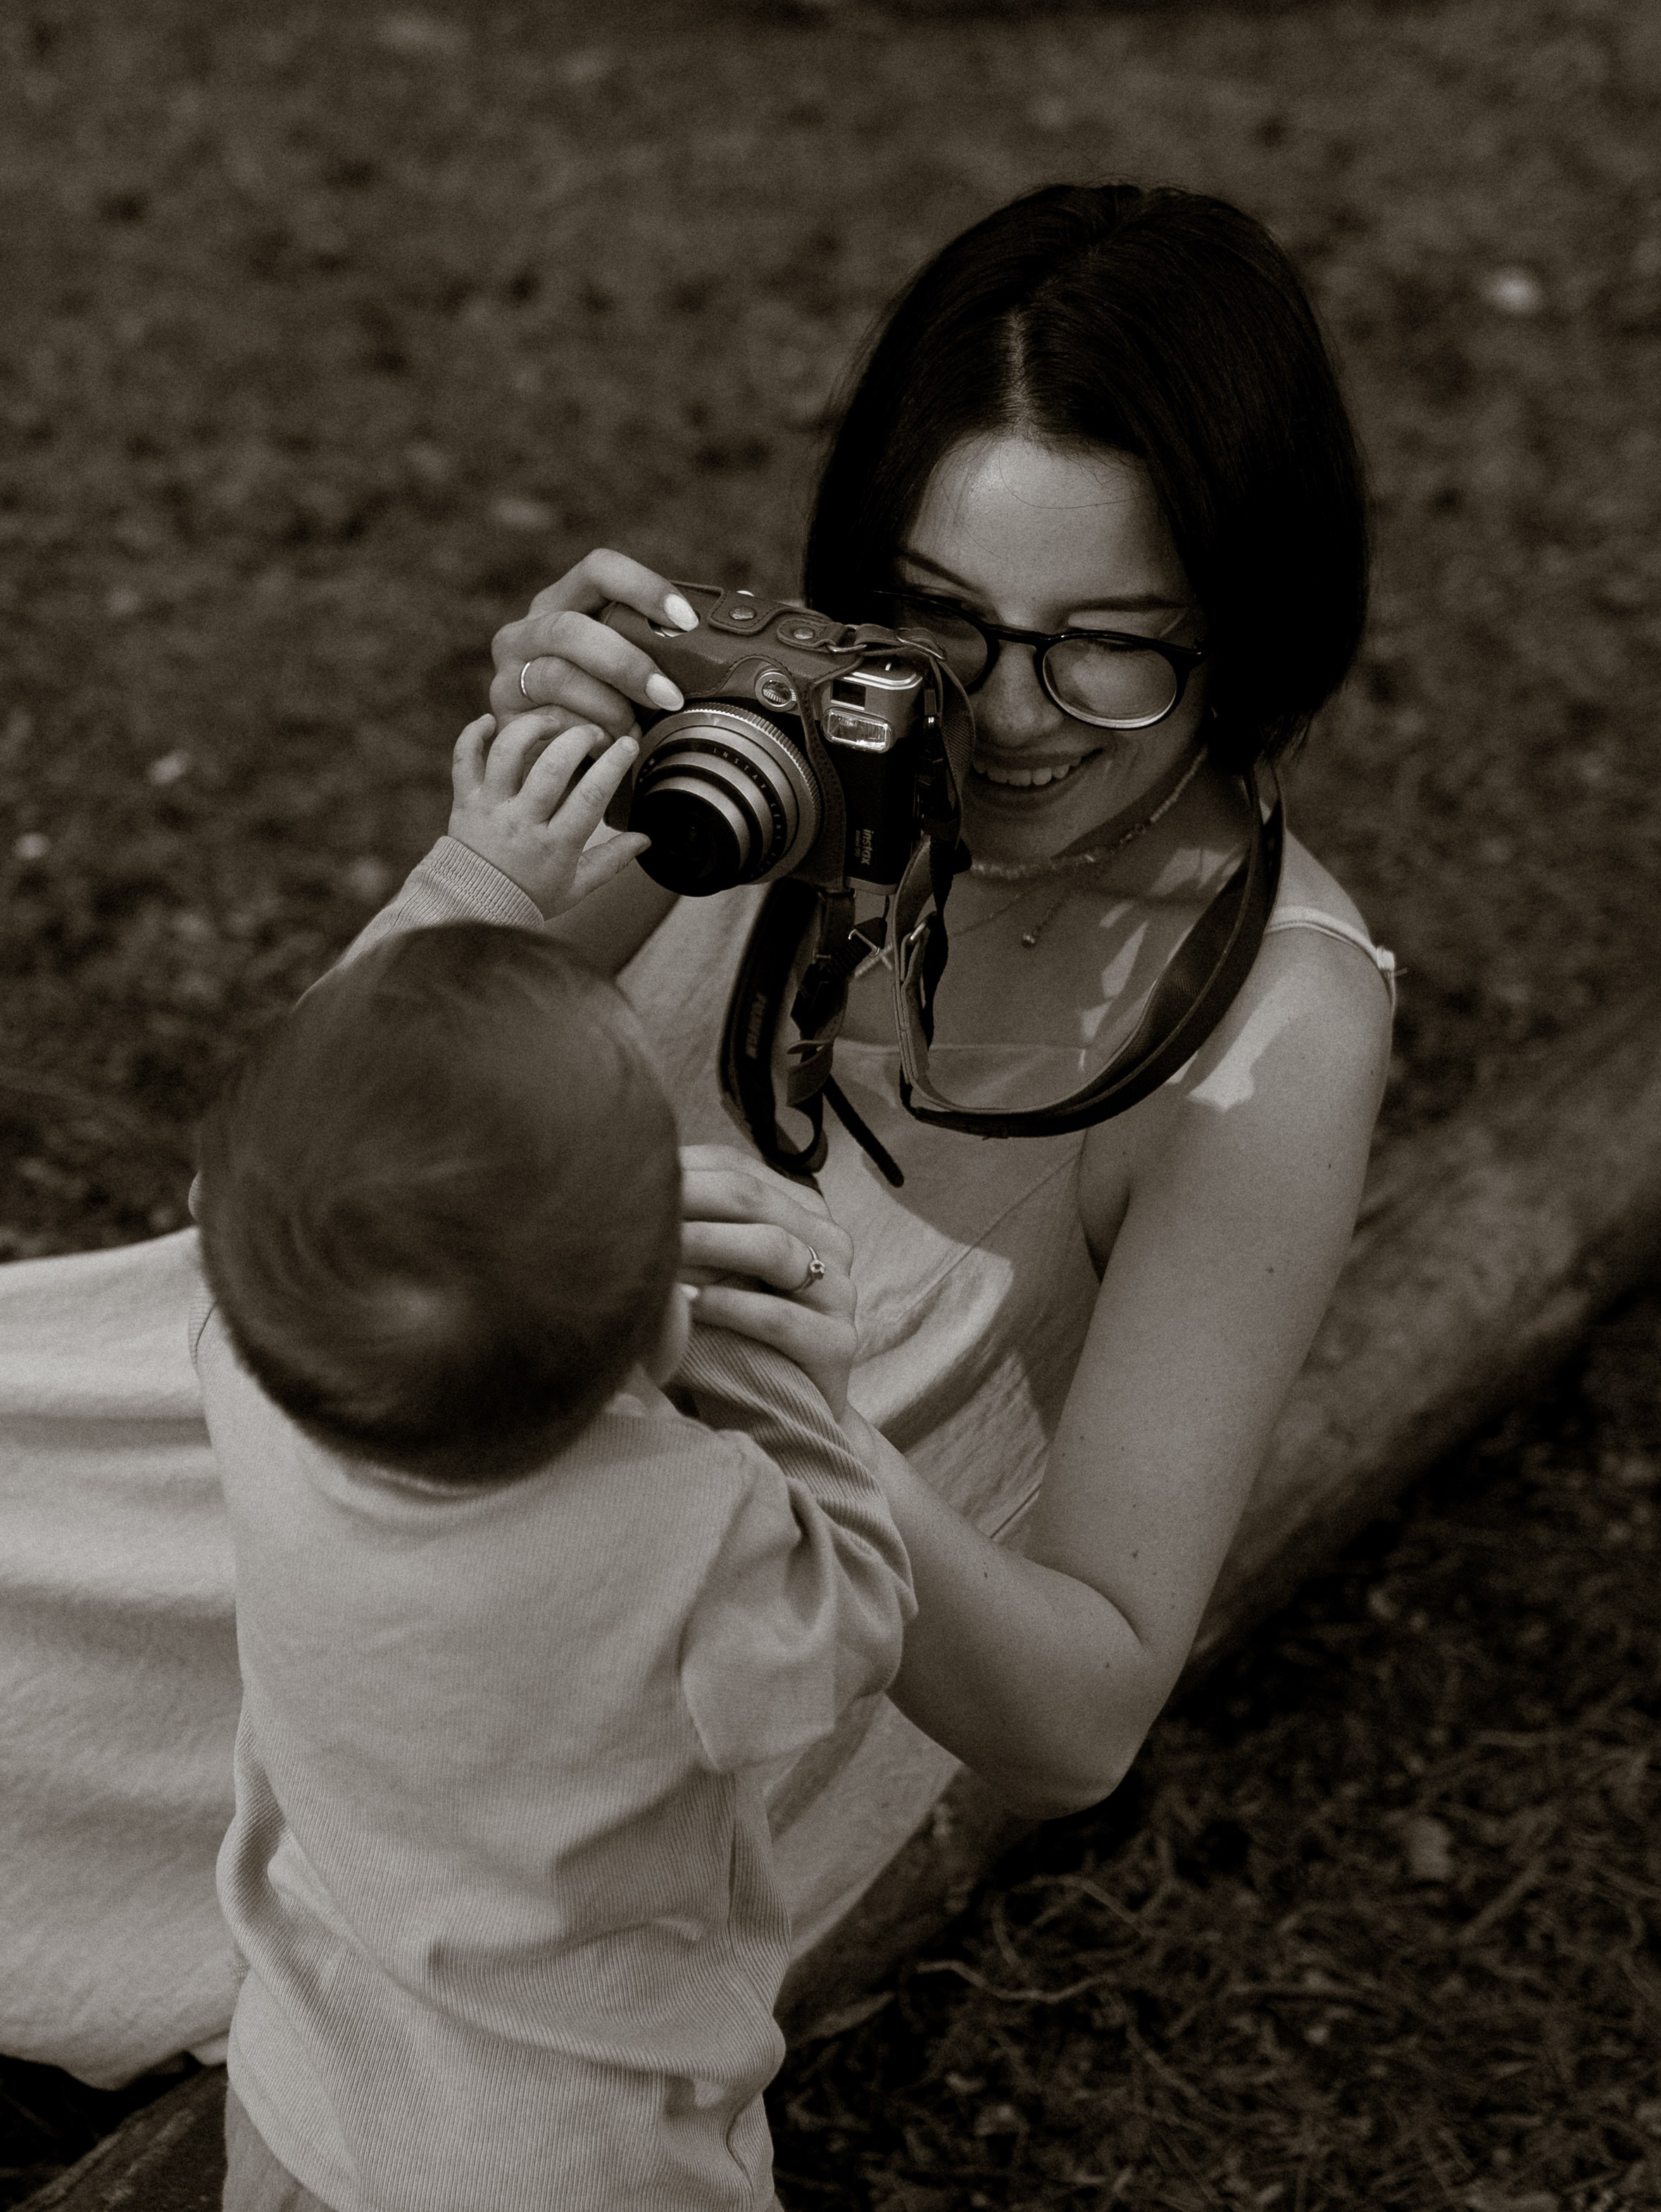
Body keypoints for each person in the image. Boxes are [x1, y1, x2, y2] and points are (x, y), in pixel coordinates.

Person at [0, 178, 1394, 2091]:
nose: (999, 721)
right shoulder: (792, 742)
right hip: (337, 1400)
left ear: (1248, 618)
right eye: (936, 623)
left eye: (1107, 645)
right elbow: (283, 1185)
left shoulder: (1273, 1023)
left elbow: (1078, 1715)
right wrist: (496, 861)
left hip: (630, 1661)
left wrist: (790, 1415)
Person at [196, 705, 913, 2212]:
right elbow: (855, 1610)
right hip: (578, 2159)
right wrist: (793, 1375)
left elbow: (293, 1126)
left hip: (304, 2073)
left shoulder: (249, 1374)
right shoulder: (688, 1535)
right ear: (658, 1337)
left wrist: (478, 875)